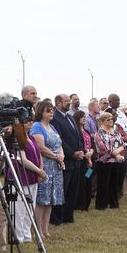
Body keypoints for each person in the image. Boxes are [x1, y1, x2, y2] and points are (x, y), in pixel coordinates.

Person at [29, 100, 65, 236]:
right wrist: (56, 156)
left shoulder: (52, 127)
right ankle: (38, 230)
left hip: (56, 167)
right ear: (41, 112)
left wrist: (61, 155)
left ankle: (45, 229)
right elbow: (40, 147)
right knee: (42, 198)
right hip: (45, 165)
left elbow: (59, 143)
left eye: (52, 110)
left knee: (51, 198)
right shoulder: (37, 126)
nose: (51, 113)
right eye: (48, 110)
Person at [51, 94, 83, 223]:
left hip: (76, 161)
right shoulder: (55, 118)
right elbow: (59, 140)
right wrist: (72, 153)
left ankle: (68, 216)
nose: (69, 103)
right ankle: (58, 217)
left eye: (69, 101)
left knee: (73, 190)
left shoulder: (70, 117)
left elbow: (78, 135)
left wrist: (80, 150)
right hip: (65, 160)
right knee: (63, 190)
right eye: (66, 101)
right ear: (58, 102)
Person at [92, 111, 126, 209]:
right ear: (102, 121)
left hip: (116, 162)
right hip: (104, 162)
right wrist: (117, 155)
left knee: (114, 184)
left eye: (111, 119)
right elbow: (104, 148)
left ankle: (114, 204)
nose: (111, 121)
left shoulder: (115, 131)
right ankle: (101, 205)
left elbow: (122, 144)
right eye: (108, 119)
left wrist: (118, 155)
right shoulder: (99, 133)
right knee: (104, 184)